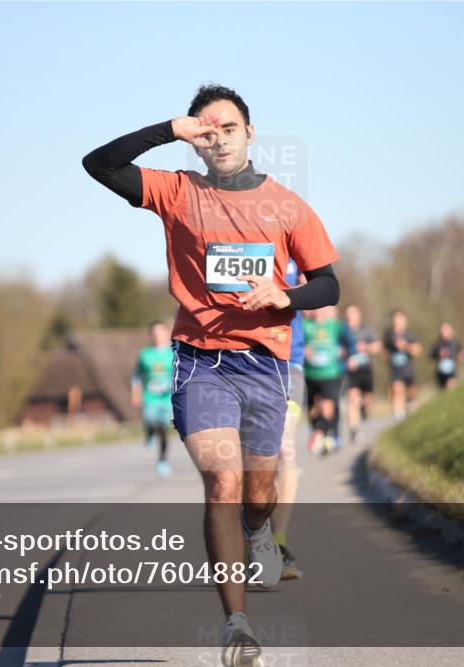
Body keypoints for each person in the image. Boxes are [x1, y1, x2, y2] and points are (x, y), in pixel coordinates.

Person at [83, 84, 339, 667]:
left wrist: (288, 294)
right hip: (200, 358)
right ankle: (237, 624)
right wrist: (169, 128)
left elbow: (328, 283)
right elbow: (98, 164)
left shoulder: (288, 206)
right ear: (196, 141)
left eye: (229, 128)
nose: (218, 137)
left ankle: (259, 532)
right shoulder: (176, 190)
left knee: (258, 492)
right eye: (206, 130)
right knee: (222, 481)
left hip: (265, 361)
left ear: (251, 134)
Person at [270, 259, 305, 581]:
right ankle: (250, 536)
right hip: (244, 360)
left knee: (285, 449)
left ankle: (278, 543)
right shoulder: (237, 237)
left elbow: (325, 286)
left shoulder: (297, 243)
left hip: (290, 362)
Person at [131, 321, 175, 476]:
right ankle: (149, 433)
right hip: (149, 397)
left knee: (163, 427)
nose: (157, 336)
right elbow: (136, 376)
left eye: (160, 332)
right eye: (154, 333)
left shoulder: (173, 352)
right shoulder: (145, 354)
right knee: (150, 421)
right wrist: (135, 393)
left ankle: (162, 461)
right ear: (151, 335)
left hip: (167, 398)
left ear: (166, 333)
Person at [302, 305, 345, 455]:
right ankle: (319, 430)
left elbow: (349, 338)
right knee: (313, 410)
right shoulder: (305, 325)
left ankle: (327, 433)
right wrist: (303, 350)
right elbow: (294, 344)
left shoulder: (333, 325)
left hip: (330, 373)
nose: (319, 310)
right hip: (311, 374)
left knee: (328, 405)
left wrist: (348, 351)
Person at [341, 305, 380, 443]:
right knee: (353, 398)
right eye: (348, 314)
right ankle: (354, 430)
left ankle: (363, 409)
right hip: (350, 370)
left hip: (365, 369)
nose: (350, 317)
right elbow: (337, 347)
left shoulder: (366, 329)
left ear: (359, 315)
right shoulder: (342, 330)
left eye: (353, 314)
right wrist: (343, 353)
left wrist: (366, 347)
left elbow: (377, 346)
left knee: (367, 400)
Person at [382, 309, 421, 422]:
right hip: (395, 369)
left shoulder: (410, 334)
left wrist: (405, 346)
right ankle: (399, 416)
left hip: (408, 369)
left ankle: (410, 402)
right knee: (396, 389)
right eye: (395, 319)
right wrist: (386, 355)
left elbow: (417, 350)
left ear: (405, 320)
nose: (397, 321)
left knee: (411, 392)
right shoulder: (388, 335)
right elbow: (384, 351)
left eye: (399, 319)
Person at [429, 322, 464, 390]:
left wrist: (460, 355)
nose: (444, 332)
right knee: (442, 391)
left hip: (452, 372)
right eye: (442, 330)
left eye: (446, 329)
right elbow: (430, 354)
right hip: (440, 373)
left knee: (451, 387)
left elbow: (462, 354)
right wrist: (438, 355)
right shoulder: (437, 343)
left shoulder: (455, 342)